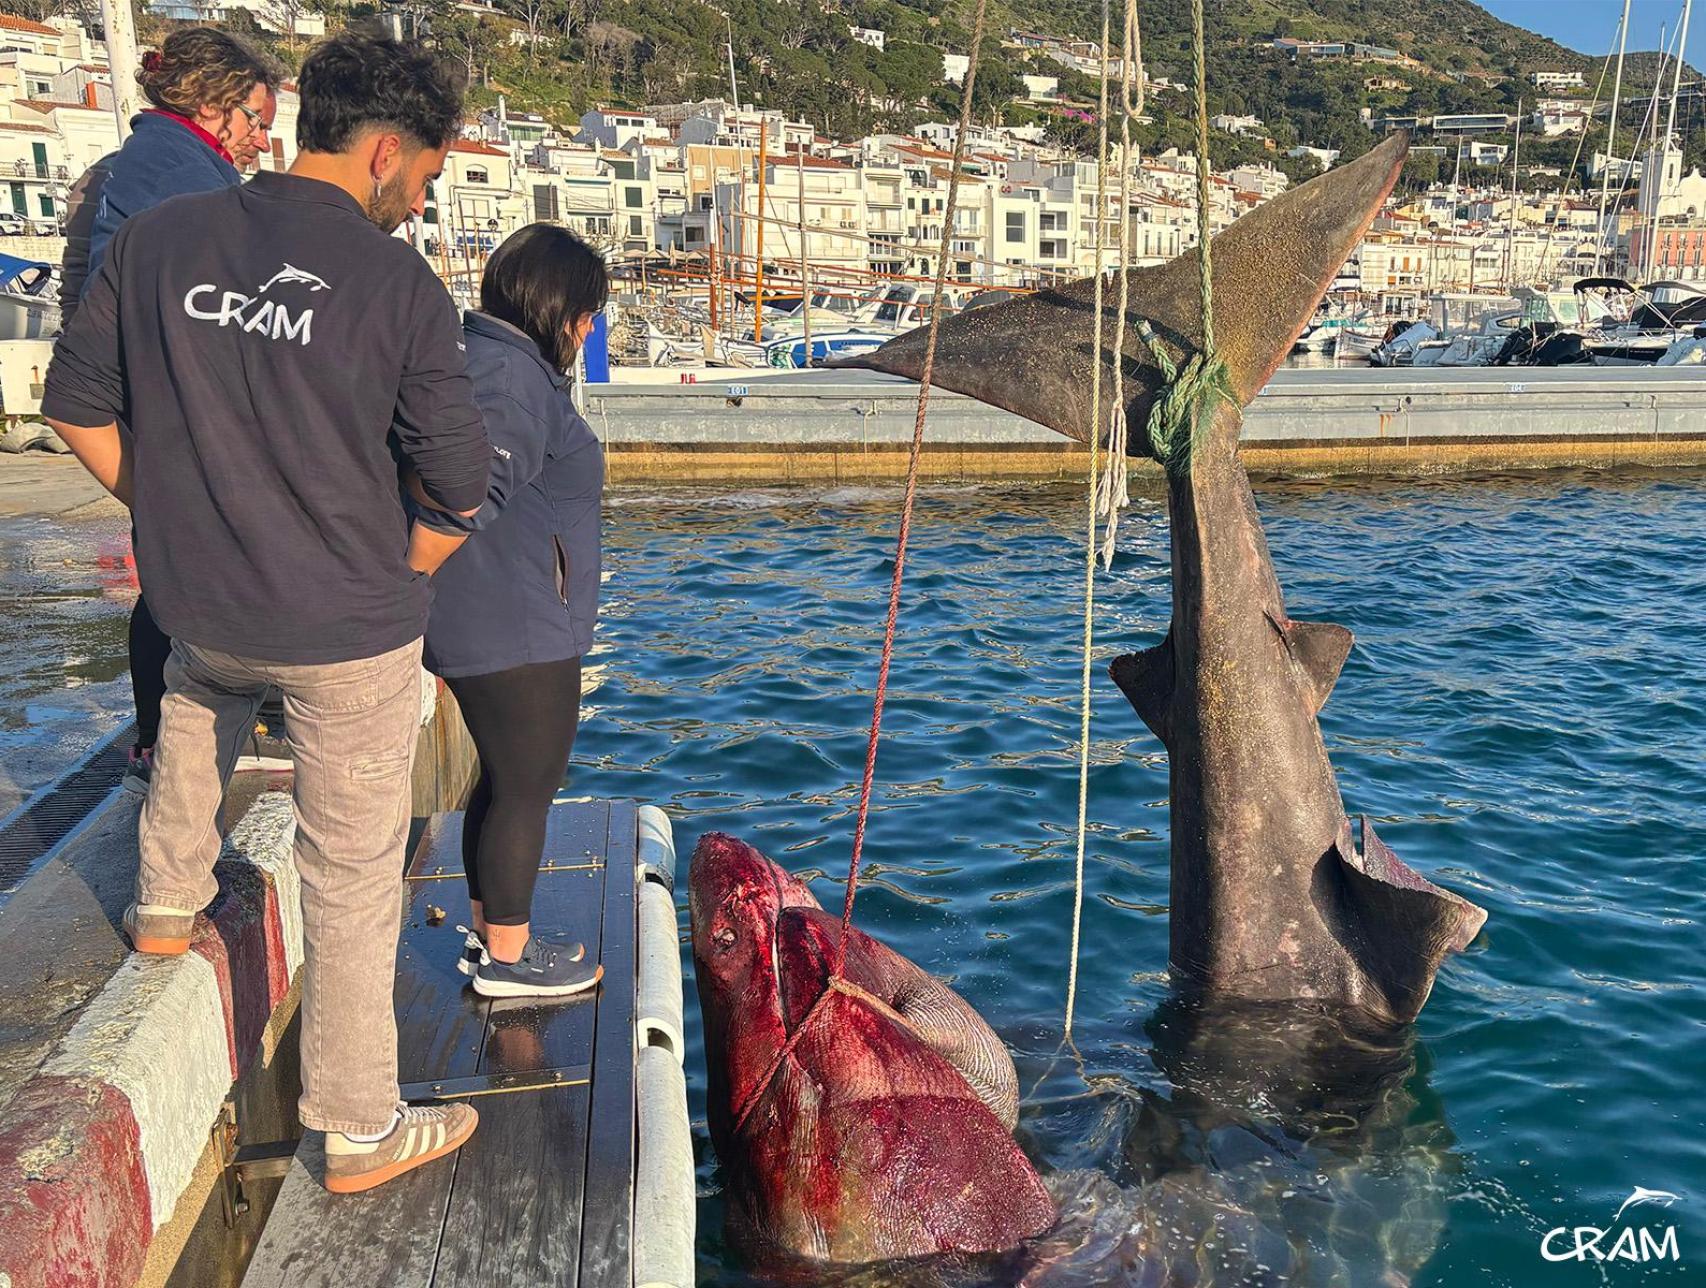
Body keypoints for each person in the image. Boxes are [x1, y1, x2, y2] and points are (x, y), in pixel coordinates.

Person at [42, 32, 489, 1195]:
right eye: (426, 177)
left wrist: (172, 510)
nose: (420, 202)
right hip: (343, 626)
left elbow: (75, 406)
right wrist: (402, 570)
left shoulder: (159, 238)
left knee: (198, 697)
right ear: (384, 153)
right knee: (352, 873)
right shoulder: (397, 286)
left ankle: (163, 902)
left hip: (204, 601)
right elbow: (458, 485)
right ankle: (357, 1125)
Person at [55, 28, 279, 793]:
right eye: (255, 120)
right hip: (174, 405)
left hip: (147, 401)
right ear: (214, 106)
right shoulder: (186, 178)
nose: (261, 139)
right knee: (184, 576)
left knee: (167, 570)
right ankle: (172, 744)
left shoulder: (145, 161)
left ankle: (159, 738)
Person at [411, 225, 608, 999]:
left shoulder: (491, 360)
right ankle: (510, 959)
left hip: (498, 613)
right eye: (587, 314)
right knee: (528, 788)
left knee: (501, 781)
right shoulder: (511, 378)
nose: (588, 330)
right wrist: (403, 583)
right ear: (557, 308)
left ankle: (493, 935)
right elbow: (472, 491)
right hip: (517, 623)